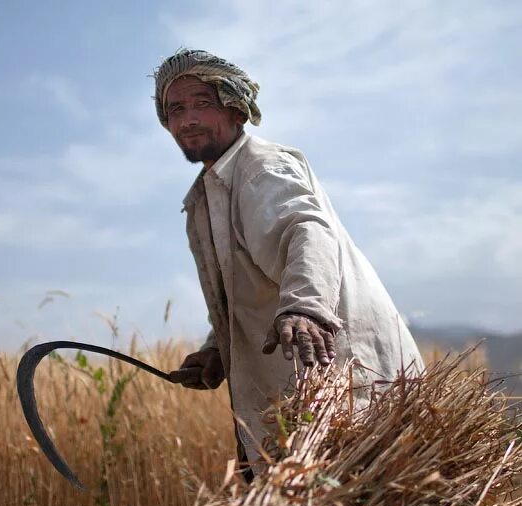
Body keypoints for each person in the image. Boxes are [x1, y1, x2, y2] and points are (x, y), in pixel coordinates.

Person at [156, 49, 424, 476]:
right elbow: (246, 288)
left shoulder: (259, 169)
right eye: (175, 109)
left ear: (237, 109)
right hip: (297, 396)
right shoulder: (210, 193)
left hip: (342, 379)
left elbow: (307, 230)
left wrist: (304, 306)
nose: (187, 119)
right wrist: (216, 351)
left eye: (203, 103)